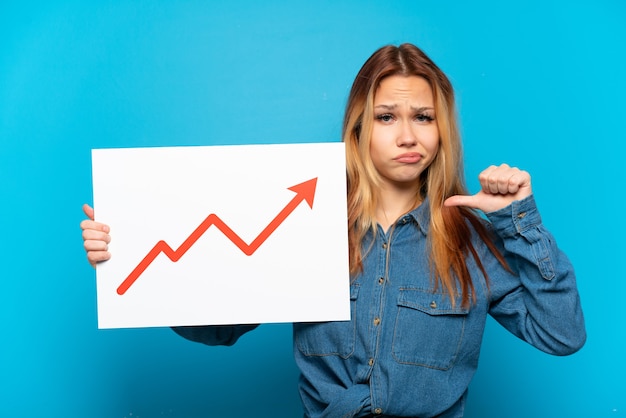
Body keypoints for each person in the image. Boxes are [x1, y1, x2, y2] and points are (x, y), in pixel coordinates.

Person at [81, 43, 586, 417]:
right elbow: (217, 328)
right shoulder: (302, 227)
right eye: (386, 117)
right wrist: (131, 256)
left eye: (424, 117)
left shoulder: (472, 242)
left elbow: (561, 335)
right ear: (360, 128)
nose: (407, 135)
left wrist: (520, 219)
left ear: (441, 130)